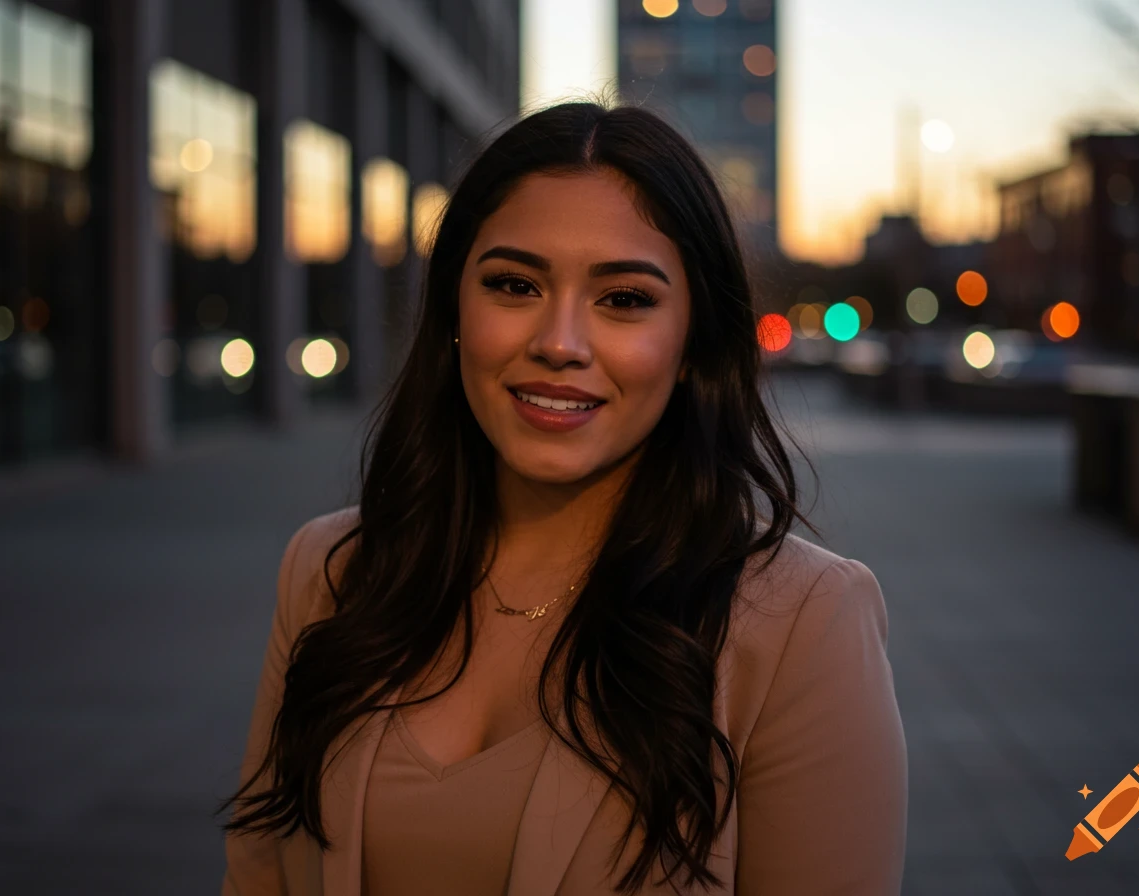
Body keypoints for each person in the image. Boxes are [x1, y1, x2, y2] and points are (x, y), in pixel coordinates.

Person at [219, 101, 907, 895]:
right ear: (453, 312)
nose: (560, 342)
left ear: (693, 346)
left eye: (624, 299)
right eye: (514, 285)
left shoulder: (804, 621)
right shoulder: (331, 572)